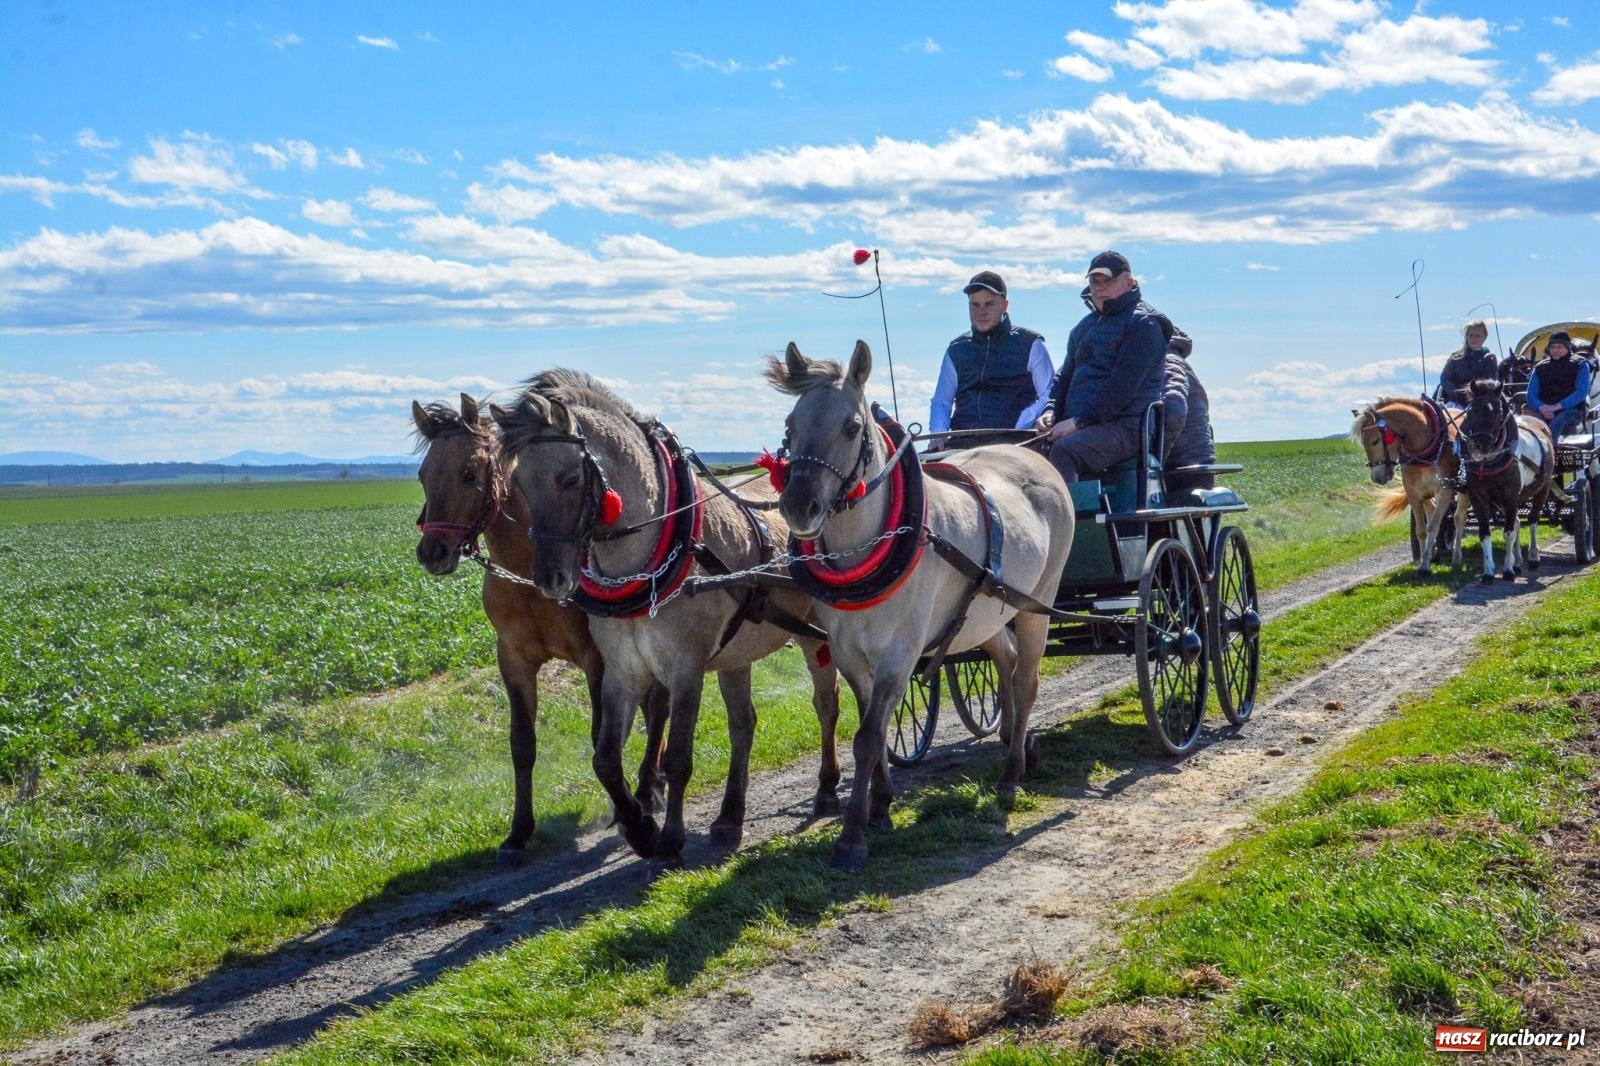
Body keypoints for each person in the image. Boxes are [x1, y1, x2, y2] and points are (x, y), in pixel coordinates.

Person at [1036, 251, 1166, 483]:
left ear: (1130, 282)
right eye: (1096, 282)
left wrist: (1077, 422)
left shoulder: (1144, 324)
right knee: (1020, 453)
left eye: (1109, 281)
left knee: (1065, 451)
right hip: (1083, 425)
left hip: (1126, 427)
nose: (1101, 287)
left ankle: (1070, 519)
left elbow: (1122, 388)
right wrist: (1051, 411)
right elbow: (1063, 378)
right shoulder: (1083, 327)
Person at [927, 271, 1053, 449]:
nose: (981, 311)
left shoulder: (1032, 344)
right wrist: (938, 434)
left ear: (1004, 305)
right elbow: (942, 400)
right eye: (975, 305)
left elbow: (1049, 394)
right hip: (962, 442)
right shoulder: (956, 349)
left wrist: (1022, 422)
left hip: (1017, 442)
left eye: (989, 304)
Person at [1159, 326, 1217, 495]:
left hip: (1184, 462)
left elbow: (1173, 413)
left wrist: (1154, 459)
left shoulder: (1168, 362)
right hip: (1184, 457)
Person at [1526, 331, 1592, 438]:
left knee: (1556, 424)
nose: (1555, 350)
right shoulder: (1540, 367)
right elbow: (1530, 395)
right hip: (1543, 410)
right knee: (1528, 427)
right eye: (1552, 347)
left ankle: (1551, 452)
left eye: (1559, 347)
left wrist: (1556, 407)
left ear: (1568, 347)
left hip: (1572, 411)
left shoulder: (1581, 364)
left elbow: (1581, 392)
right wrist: (1542, 407)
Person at [1436, 320, 1498, 408]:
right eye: (1471, 335)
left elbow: (1491, 382)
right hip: (1454, 401)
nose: (1473, 338)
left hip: (1479, 403)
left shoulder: (1490, 359)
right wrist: (1459, 395)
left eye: (1477, 336)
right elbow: (1445, 379)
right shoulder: (1455, 357)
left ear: (1484, 337)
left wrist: (1474, 397)